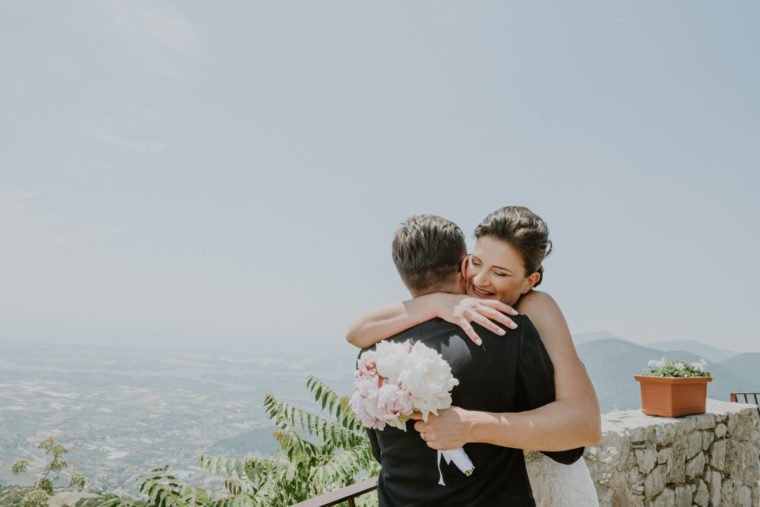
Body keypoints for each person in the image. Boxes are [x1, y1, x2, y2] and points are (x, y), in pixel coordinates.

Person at [348, 206, 601, 506]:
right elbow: (358, 331)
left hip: (541, 476)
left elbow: (585, 425)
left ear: (529, 281)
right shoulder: (455, 304)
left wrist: (471, 426)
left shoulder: (535, 308)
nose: (480, 280)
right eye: (476, 262)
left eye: (501, 272)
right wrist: (440, 301)